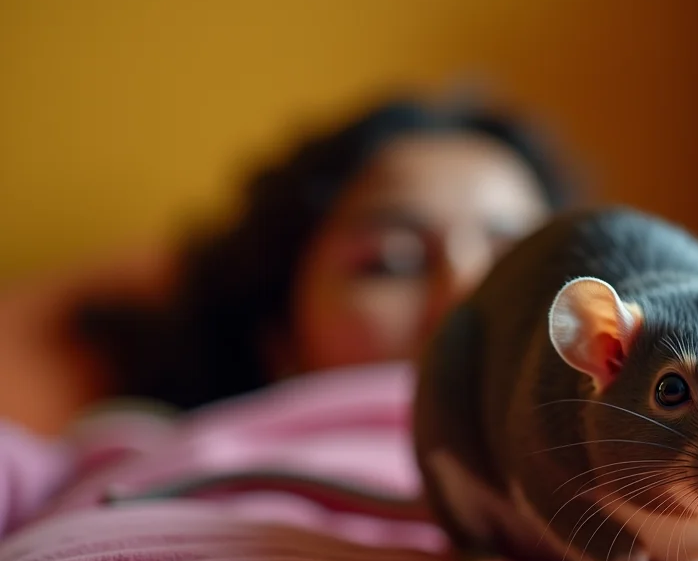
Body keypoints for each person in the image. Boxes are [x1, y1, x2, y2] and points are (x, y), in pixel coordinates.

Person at [73, 95, 568, 411]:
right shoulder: (138, 453)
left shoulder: (625, 473)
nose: (467, 291)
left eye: (516, 261)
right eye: (392, 262)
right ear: (278, 335)